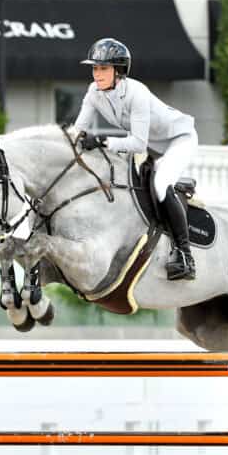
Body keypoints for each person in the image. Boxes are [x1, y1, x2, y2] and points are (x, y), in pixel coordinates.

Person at [73, 38, 197, 281]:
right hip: (153, 147)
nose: (97, 74)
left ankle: (185, 255)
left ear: (118, 71)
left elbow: (137, 143)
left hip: (179, 140)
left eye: (103, 69)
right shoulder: (93, 92)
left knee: (161, 185)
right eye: (95, 68)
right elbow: (78, 130)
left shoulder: (137, 92)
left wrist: (102, 140)